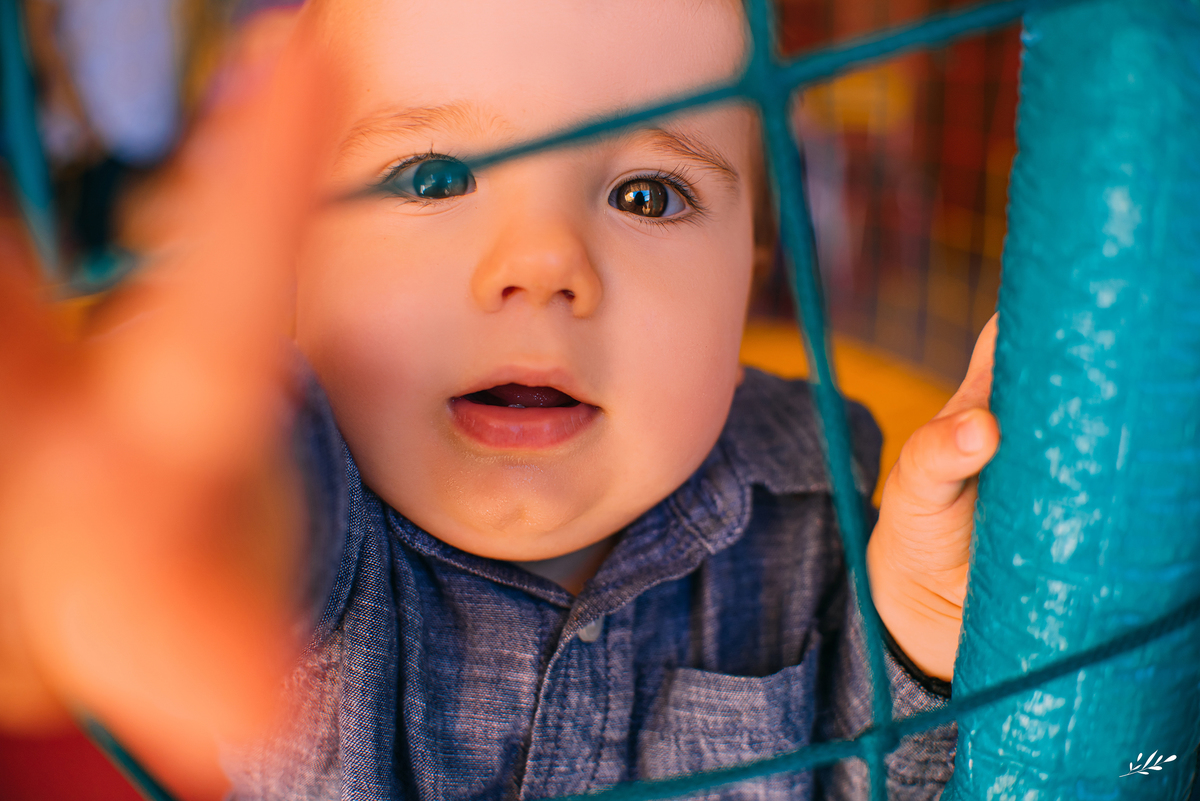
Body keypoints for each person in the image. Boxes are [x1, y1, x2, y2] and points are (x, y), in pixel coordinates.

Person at [0, 1, 1000, 799]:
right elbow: (251, 496)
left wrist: (912, 635)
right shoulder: (319, 486)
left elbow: (875, 772)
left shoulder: (820, 495)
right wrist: (170, 517)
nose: (542, 263)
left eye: (647, 195)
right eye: (432, 179)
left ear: (749, 273)